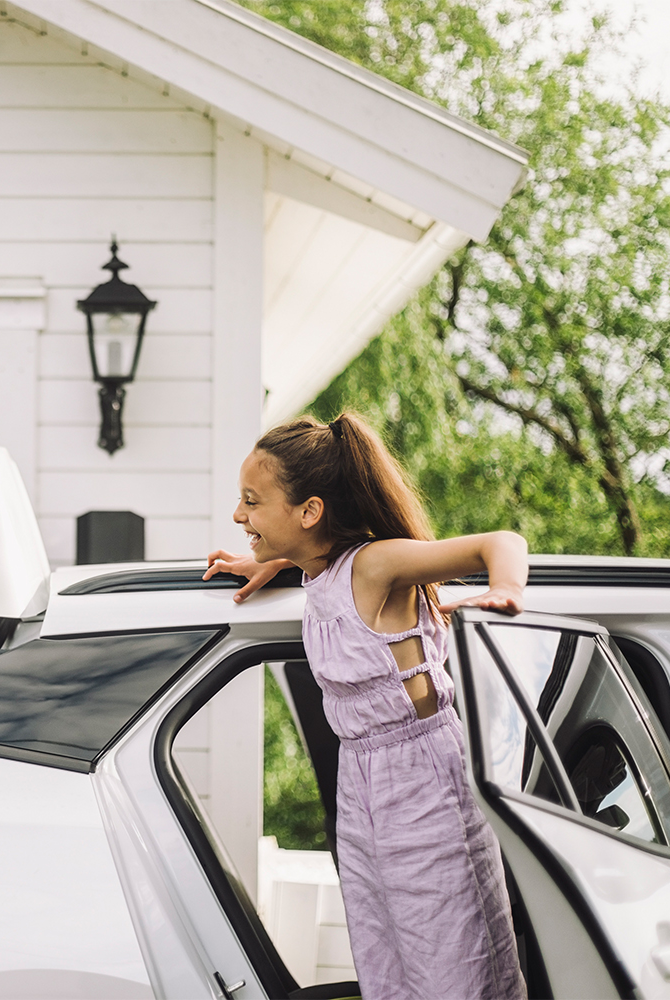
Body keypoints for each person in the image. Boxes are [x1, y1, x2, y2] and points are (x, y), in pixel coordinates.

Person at [204, 413, 526, 1000]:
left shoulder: (376, 567)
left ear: (310, 511)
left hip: (423, 777)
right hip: (361, 784)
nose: (237, 515)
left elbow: (499, 543)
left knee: (451, 955)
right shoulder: (316, 570)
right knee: (383, 954)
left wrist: (505, 588)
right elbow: (315, 562)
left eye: (252, 501)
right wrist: (269, 561)